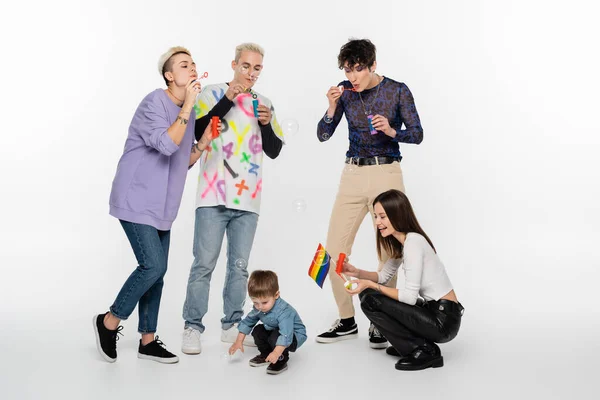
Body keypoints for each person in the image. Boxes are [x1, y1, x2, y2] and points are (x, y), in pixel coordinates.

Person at [93, 46, 217, 364]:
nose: (192, 68)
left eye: (194, 64)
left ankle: (147, 340)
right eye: (184, 65)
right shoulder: (154, 102)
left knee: (157, 274)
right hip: (136, 197)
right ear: (169, 75)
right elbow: (164, 144)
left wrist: (203, 143)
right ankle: (109, 321)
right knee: (154, 265)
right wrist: (189, 106)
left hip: (163, 205)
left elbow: (182, 159)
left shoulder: (185, 112)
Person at [315, 38, 424, 348]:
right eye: (348, 70)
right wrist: (332, 107)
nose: (352, 77)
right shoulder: (345, 90)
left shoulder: (397, 90)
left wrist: (392, 131)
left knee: (390, 249)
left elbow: (417, 134)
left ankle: (381, 320)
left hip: (386, 171)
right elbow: (323, 134)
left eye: (358, 69)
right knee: (331, 251)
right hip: (352, 173)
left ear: (373, 65)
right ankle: (346, 319)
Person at [181, 43, 285, 355]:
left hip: (248, 201)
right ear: (234, 64)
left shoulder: (263, 102)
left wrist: (266, 125)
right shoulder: (212, 93)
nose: (251, 73)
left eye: (256, 68)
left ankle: (231, 326)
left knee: (239, 268)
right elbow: (197, 129)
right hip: (212, 194)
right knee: (203, 264)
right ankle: (192, 326)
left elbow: (274, 150)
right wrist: (228, 99)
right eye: (246, 66)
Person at [342, 189, 464, 371]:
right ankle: (413, 346)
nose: (377, 222)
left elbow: (409, 298)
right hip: (433, 311)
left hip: (443, 320)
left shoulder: (413, 243)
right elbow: (383, 277)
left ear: (396, 214)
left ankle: (424, 350)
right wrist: (356, 272)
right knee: (367, 295)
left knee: (370, 298)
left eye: (382, 217)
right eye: (376, 216)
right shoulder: (405, 242)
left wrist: (369, 285)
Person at [228, 270, 307, 375]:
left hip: (293, 336)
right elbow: (248, 322)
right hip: (276, 331)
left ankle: (280, 359)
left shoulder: (283, 311)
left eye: (264, 302)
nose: (260, 306)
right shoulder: (259, 308)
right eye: (255, 302)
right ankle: (266, 354)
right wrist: (238, 342)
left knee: (276, 336)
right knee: (257, 331)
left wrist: (276, 353)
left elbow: (286, 334)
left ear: (276, 295)